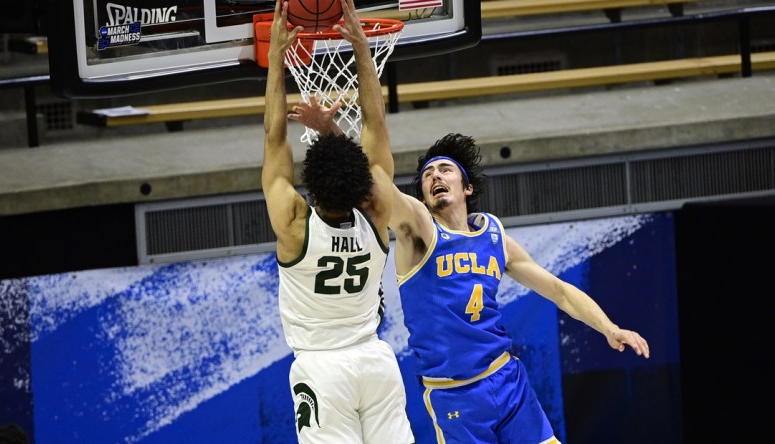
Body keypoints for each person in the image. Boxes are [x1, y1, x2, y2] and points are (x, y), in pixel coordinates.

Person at [295, 97, 652, 444]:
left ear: (466, 187)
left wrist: (609, 328)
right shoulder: (419, 229)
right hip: (455, 396)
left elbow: (558, 290)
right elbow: (373, 187)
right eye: (427, 174)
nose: (435, 175)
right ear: (422, 195)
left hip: (507, 379)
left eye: (445, 169)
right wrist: (331, 132)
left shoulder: (493, 235)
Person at [261, 0, 415, 443]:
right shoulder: (376, 214)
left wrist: (275, 59)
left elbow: (274, 137)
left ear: (309, 186)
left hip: (322, 368)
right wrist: (363, 52)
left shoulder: (295, 224)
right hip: (375, 361)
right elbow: (376, 124)